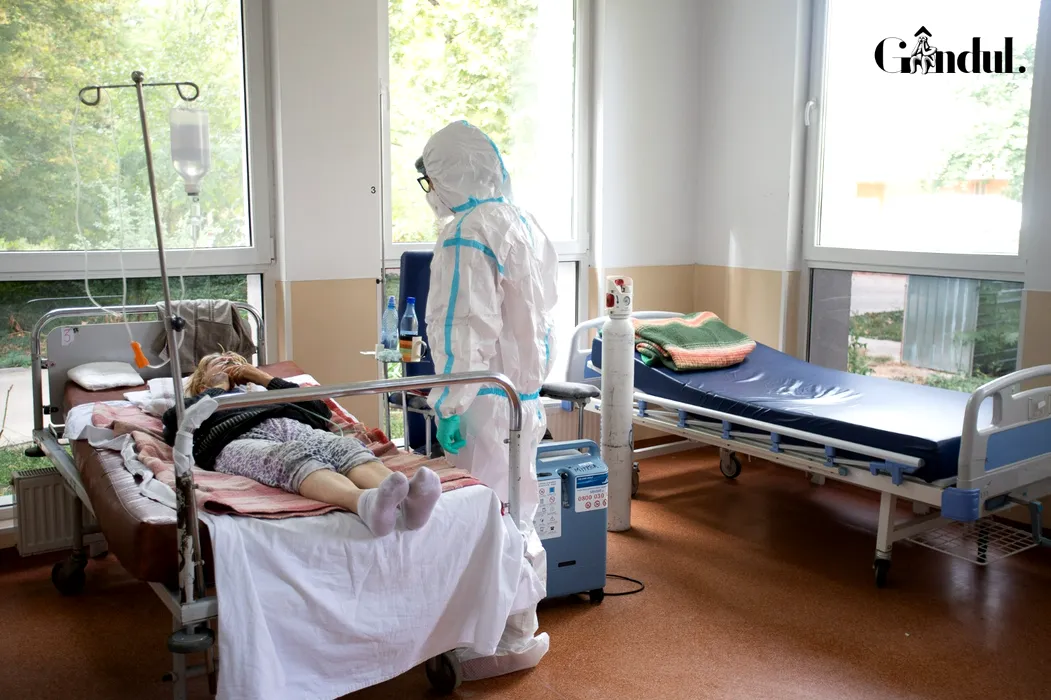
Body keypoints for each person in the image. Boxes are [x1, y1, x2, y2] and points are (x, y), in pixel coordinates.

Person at [416, 121, 558, 679]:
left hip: (483, 400)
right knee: (519, 511)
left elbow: (464, 328)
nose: (431, 192)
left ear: (450, 174)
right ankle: (518, 628)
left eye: (431, 180)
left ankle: (485, 640)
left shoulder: (465, 232)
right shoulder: (520, 222)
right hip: (524, 399)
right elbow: (542, 319)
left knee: (484, 517)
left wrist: (449, 403)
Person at [162, 352, 441, 536]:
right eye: (218, 362)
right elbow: (177, 421)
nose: (228, 362)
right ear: (201, 377)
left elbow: (319, 410)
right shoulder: (193, 402)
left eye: (234, 360)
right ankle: (363, 503)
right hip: (235, 439)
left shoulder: (263, 393)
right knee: (291, 458)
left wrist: (262, 378)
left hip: (290, 426)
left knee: (344, 447)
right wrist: (217, 388)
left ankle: (408, 503)